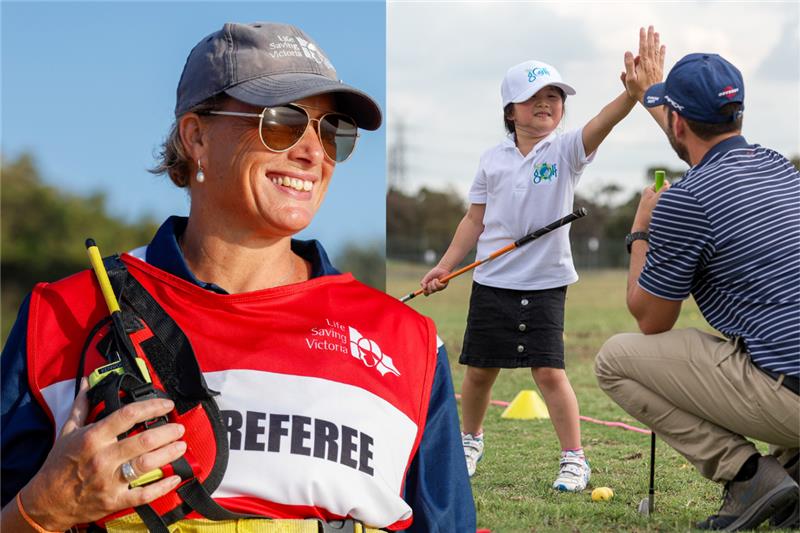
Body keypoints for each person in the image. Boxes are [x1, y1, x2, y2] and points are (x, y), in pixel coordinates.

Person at [1, 22, 475, 533]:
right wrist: (40, 511)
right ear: (196, 136)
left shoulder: (407, 341)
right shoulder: (63, 315)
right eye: (283, 122)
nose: (314, 153)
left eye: (332, 130)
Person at [419, 27, 664, 492]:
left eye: (554, 96)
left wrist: (631, 96)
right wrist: (447, 265)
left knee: (549, 372)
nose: (547, 104)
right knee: (478, 373)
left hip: (545, 282)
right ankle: (470, 442)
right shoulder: (491, 159)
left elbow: (601, 123)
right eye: (534, 97)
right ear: (510, 110)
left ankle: (574, 459)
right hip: (492, 280)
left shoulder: (566, 150)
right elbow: (474, 220)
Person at [594, 44, 800, 530]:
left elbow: (651, 319)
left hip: (791, 400)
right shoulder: (777, 166)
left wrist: (642, 230)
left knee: (614, 361)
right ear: (738, 113)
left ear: (679, 125)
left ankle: (749, 476)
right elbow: (702, 142)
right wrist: (652, 98)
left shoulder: (685, 202)